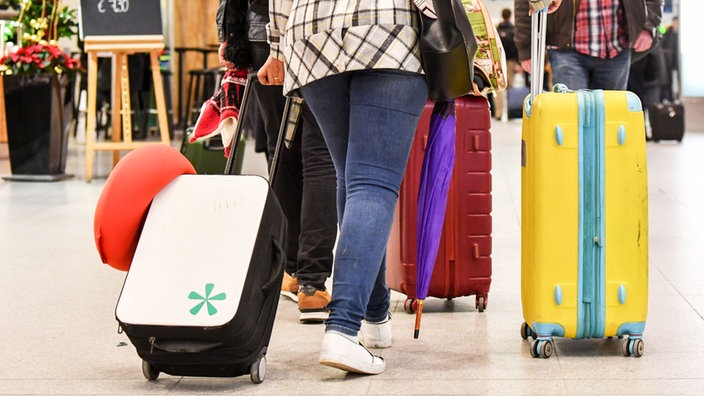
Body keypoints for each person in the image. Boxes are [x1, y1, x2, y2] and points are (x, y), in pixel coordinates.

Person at [258, 0, 562, 376]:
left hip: (310, 33)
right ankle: (342, 329)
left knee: (351, 177)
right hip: (387, 27)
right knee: (371, 181)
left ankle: (374, 313)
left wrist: (276, 47)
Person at [216, 0, 338, 324]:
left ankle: (293, 269)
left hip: (261, 30)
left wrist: (228, 31)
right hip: (323, 27)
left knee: (282, 148)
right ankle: (312, 284)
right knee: (321, 153)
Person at [514, 0, 663, 91]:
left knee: (609, 120)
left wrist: (648, 26)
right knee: (572, 118)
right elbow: (524, 4)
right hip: (567, 49)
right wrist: (526, 48)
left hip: (616, 47)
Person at [494, 8, 520, 121]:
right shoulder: (514, 30)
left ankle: (498, 113)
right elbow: (517, 47)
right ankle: (510, 112)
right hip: (511, 61)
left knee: (499, 87)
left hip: (498, 61)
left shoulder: (497, 30)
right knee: (510, 87)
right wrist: (518, 63)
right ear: (510, 16)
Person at [660, 17, 679, 101]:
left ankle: (674, 97)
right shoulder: (668, 32)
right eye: (674, 23)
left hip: (677, 61)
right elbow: (661, 31)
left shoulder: (680, 34)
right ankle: (669, 97)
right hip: (668, 61)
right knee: (668, 80)